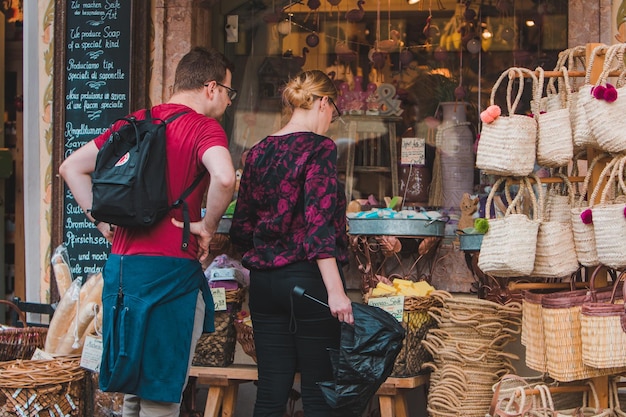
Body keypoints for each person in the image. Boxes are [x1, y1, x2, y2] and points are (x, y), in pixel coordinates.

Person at [59, 47, 236, 417]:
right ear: (210, 87)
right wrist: (208, 225)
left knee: (132, 390)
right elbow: (223, 176)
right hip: (169, 269)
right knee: (160, 394)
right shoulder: (203, 126)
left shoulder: (136, 122)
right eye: (228, 92)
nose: (228, 102)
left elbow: (71, 167)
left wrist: (103, 223)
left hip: (122, 269)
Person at [230, 69, 354, 417]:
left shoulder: (257, 153)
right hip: (308, 283)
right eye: (333, 112)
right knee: (318, 393)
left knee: (270, 391)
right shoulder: (319, 149)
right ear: (323, 103)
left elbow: (241, 227)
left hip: (265, 285)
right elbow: (319, 225)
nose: (331, 120)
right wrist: (336, 291)